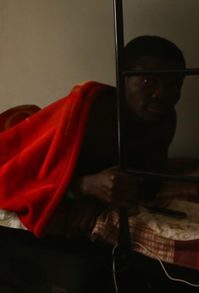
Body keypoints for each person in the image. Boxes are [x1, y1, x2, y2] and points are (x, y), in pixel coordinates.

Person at [59, 35, 186, 236]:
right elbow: (36, 173)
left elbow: (151, 179)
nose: (161, 94)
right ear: (123, 78)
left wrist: (105, 197)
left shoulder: (166, 118)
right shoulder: (91, 113)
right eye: (148, 81)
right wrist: (87, 186)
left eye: (173, 85)